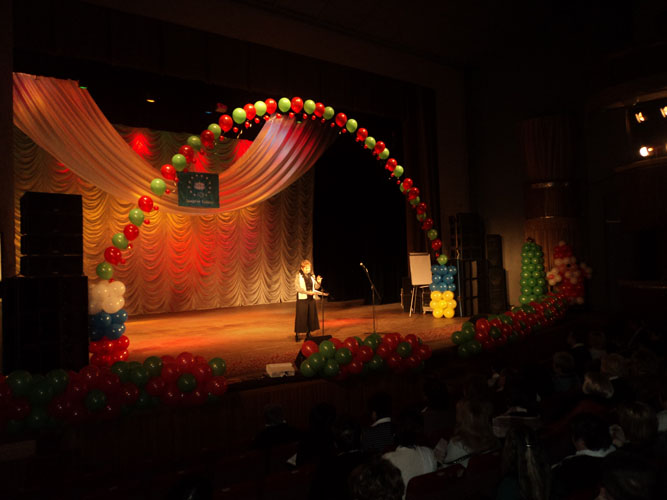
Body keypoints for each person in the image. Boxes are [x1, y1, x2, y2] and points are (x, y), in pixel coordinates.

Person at [294, 259, 325, 342]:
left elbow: (316, 287)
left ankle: (308, 333)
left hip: (311, 299)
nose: (308, 270)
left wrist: (319, 281)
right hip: (302, 299)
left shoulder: (311, 276)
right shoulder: (298, 276)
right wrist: (308, 292)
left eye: (309, 268)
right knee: (301, 317)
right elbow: (298, 288)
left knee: (310, 316)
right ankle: (297, 334)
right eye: (306, 268)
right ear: (302, 268)